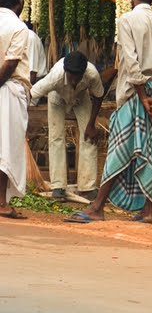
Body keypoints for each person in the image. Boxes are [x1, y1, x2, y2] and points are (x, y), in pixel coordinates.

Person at [67, 0, 152, 224]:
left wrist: (142, 98)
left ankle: (97, 207)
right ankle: (148, 211)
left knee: (118, 150)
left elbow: (130, 60)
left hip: (134, 94)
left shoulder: (127, 20)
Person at [31, 51, 106, 202]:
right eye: (71, 77)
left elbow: (98, 96)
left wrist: (91, 124)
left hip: (81, 97)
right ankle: (58, 187)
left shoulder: (92, 74)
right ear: (66, 71)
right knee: (56, 137)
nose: (74, 81)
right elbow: (31, 94)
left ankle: (88, 187)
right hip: (57, 97)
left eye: (78, 77)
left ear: (83, 72)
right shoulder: (54, 77)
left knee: (89, 138)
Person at [0, 0, 30, 219]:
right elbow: (10, 63)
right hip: (7, 89)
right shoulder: (19, 28)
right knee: (6, 149)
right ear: (20, 1)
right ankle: (1, 202)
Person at [25, 22, 48, 105]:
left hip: (35, 83)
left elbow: (32, 73)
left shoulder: (30, 38)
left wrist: (27, 95)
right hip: (24, 81)